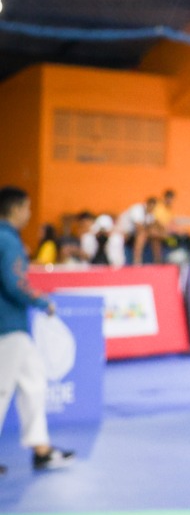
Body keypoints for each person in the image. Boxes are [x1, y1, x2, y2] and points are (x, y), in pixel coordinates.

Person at [0, 187, 76, 474]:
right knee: (2, 389)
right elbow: (13, 281)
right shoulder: (7, 240)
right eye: (27, 208)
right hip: (7, 327)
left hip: (14, 326)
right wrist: (42, 301)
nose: (29, 214)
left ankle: (41, 448)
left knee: (34, 381)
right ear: (16, 208)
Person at [117, 195, 163, 265]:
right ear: (148, 204)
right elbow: (139, 228)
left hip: (133, 234)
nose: (153, 209)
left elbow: (152, 228)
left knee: (155, 238)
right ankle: (137, 261)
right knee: (142, 235)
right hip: (122, 232)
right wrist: (152, 232)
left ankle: (158, 261)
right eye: (152, 206)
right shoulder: (137, 209)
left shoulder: (151, 214)